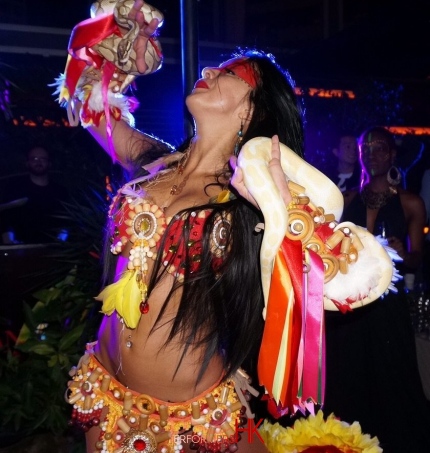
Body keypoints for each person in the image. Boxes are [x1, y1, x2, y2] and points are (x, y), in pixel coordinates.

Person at [55, 2, 306, 452]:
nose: (210, 67)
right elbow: (90, 105)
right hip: (107, 391)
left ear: (252, 113)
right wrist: (111, 35)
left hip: (188, 421)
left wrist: (281, 211)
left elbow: (319, 271)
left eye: (233, 73)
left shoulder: (248, 205)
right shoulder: (152, 160)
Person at [324, 126, 430, 452]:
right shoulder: (347, 201)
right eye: (366, 148)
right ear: (360, 155)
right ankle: (349, 442)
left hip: (389, 303)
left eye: (380, 148)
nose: (373, 153)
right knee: (349, 371)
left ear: (392, 154)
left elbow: (417, 257)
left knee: (392, 372)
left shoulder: (410, 202)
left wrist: (403, 251)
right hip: (353, 303)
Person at [0, 145, 69, 244]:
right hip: (21, 247)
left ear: (49, 163)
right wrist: (9, 240)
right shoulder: (15, 188)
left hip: (53, 249)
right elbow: (5, 216)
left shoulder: (60, 191)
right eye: (34, 159)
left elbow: (67, 221)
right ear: (27, 163)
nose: (38, 162)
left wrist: (61, 240)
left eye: (43, 159)